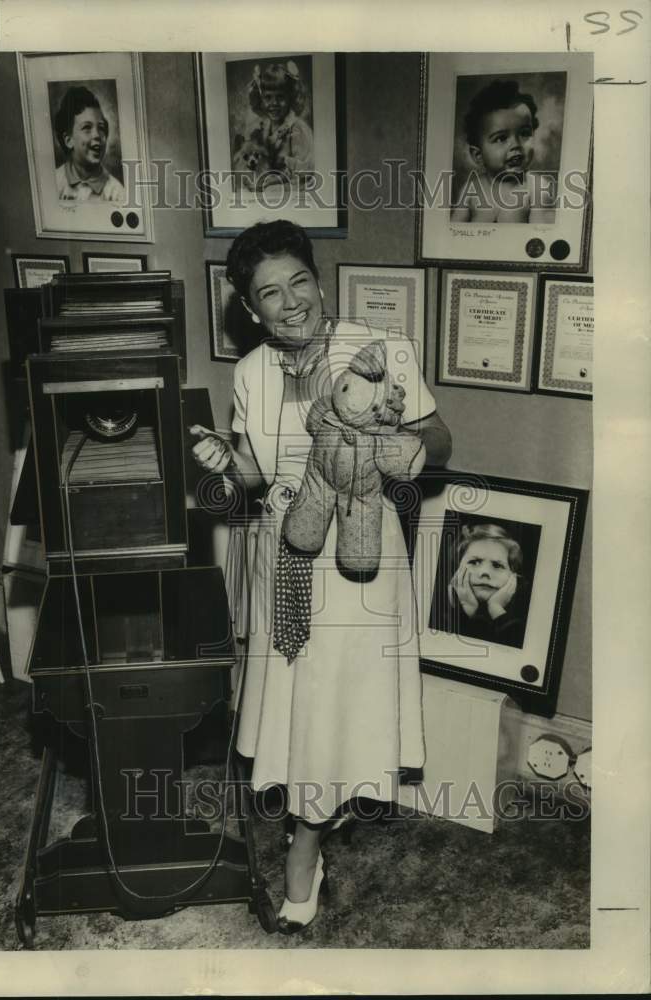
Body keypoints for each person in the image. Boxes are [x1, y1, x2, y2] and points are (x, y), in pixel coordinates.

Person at [190, 220, 452, 934]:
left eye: (299, 281)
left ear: (319, 277)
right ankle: (313, 819)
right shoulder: (249, 373)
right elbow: (255, 472)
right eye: (269, 293)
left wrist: (407, 446)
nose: (291, 302)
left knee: (339, 709)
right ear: (250, 308)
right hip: (288, 550)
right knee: (302, 710)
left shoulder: (377, 347)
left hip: (362, 559)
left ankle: (305, 844)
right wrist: (225, 464)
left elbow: (439, 437)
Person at [450, 79, 556, 224]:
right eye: (501, 138)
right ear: (478, 155)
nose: (516, 145)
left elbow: (541, 237)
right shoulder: (471, 189)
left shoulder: (537, 188)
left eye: (524, 133)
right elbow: (453, 233)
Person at [444, 522, 529, 649]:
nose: (485, 572)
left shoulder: (525, 628)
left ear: (513, 577)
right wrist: (466, 609)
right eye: (474, 562)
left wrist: (496, 608)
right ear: (457, 571)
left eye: (497, 565)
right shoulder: (440, 618)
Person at [243, 61, 314, 184]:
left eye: (280, 97)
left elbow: (304, 173)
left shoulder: (297, 129)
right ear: (261, 99)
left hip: (292, 194)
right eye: (268, 97)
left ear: (290, 98)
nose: (274, 103)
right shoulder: (262, 128)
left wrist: (271, 182)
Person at [52, 85, 126, 204]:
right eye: (87, 127)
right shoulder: (54, 182)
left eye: (101, 128)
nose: (97, 135)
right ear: (68, 140)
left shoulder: (116, 192)